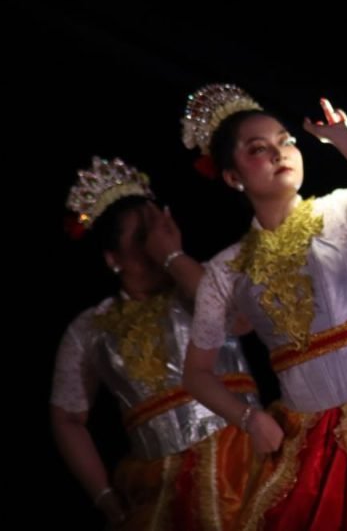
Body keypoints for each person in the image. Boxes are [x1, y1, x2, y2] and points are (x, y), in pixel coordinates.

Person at [180, 84, 347, 530]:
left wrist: (345, 141)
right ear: (233, 177)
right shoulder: (225, 270)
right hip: (307, 436)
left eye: (286, 141)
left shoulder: (337, 211)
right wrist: (249, 419)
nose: (278, 153)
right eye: (258, 149)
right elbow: (196, 374)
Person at [53, 156, 258, 530]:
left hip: (249, 460)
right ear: (113, 258)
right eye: (140, 239)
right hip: (163, 490)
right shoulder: (90, 328)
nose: (153, 247)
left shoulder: (200, 281)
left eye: (157, 232)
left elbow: (242, 320)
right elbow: (66, 417)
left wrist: (174, 256)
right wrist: (105, 497)